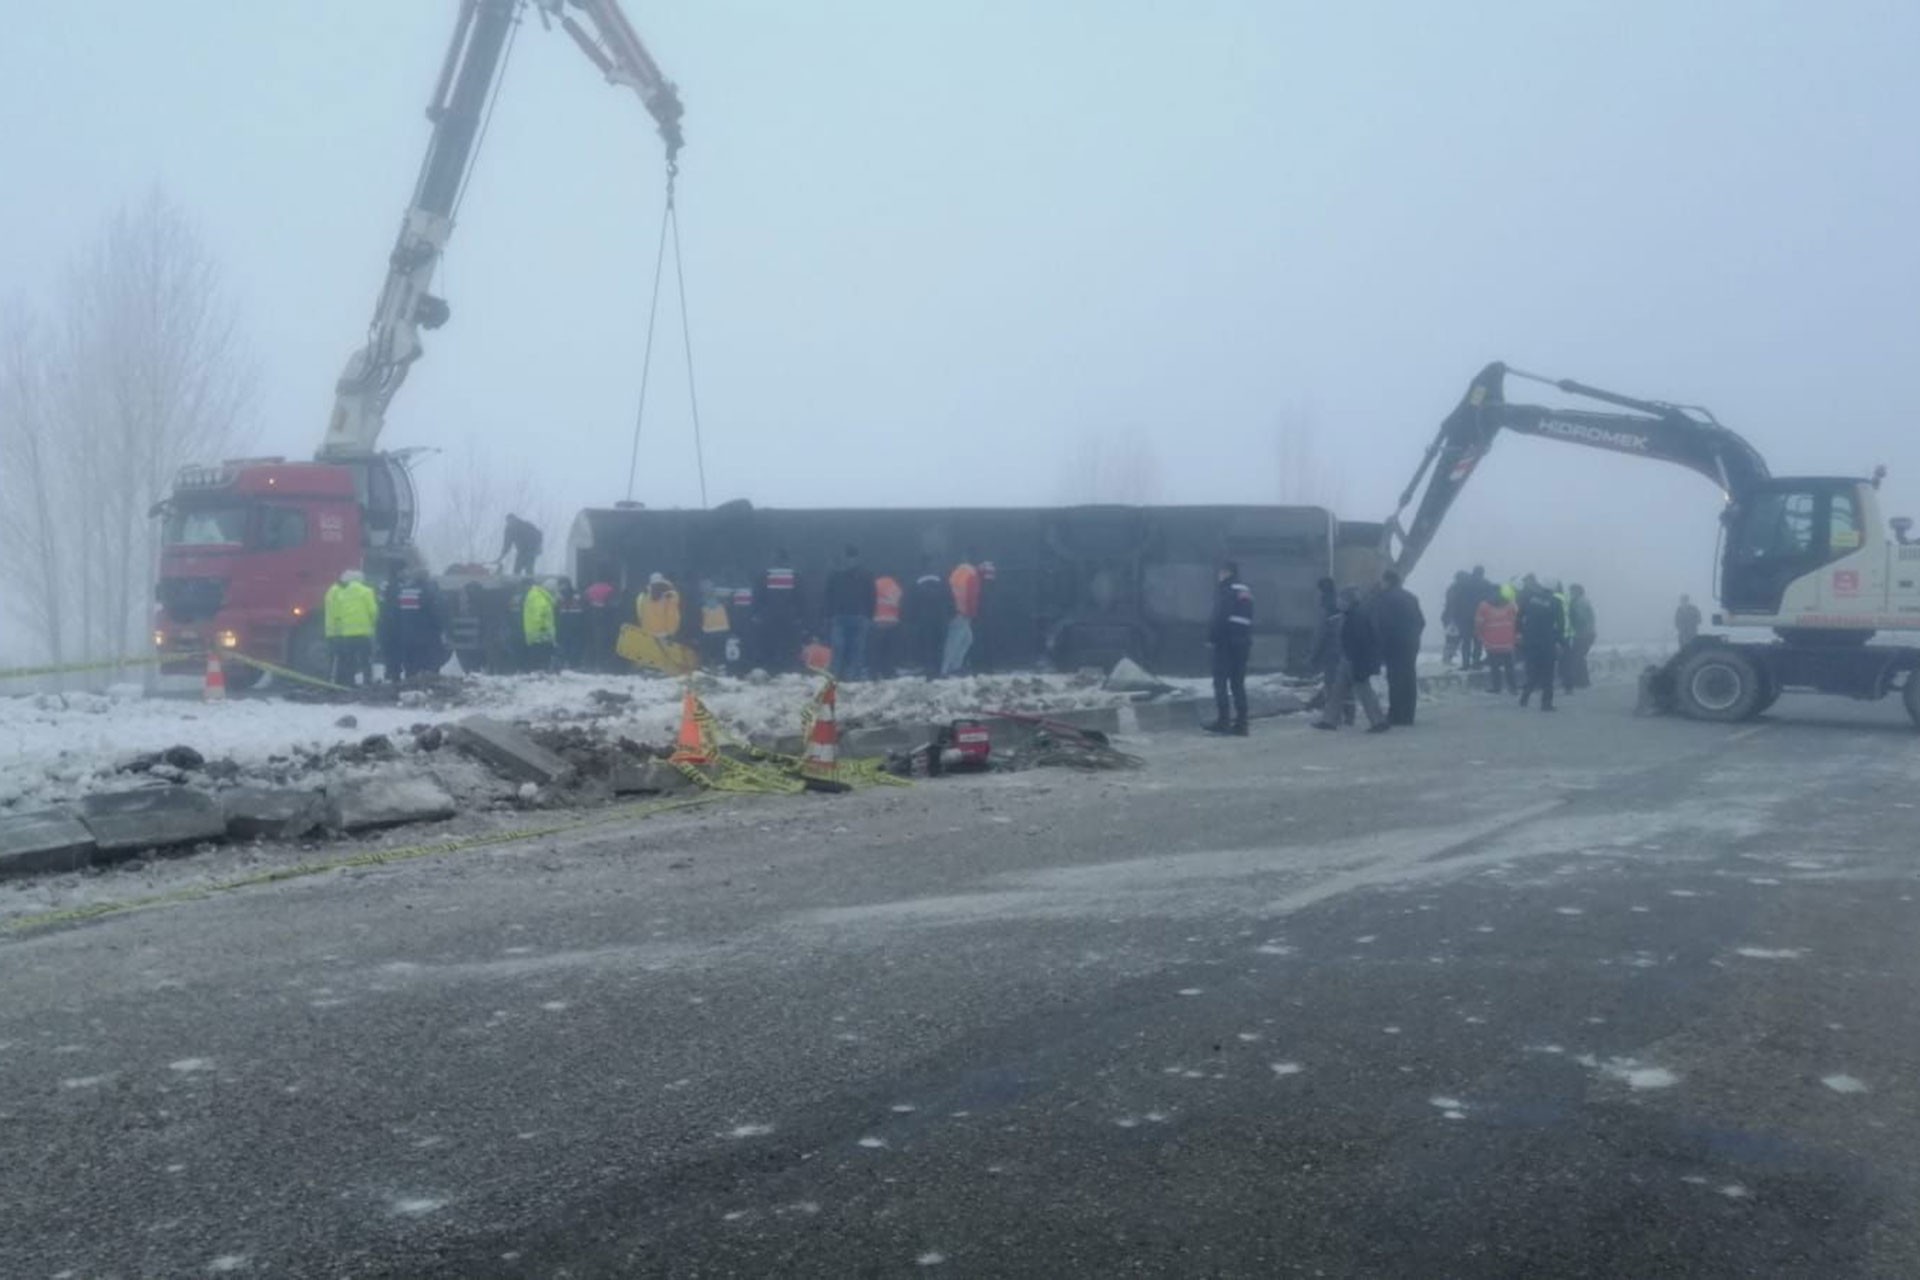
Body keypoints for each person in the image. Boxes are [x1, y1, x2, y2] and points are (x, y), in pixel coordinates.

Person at [1315, 588, 1388, 732]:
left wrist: (1359, 662)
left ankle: (1378, 722)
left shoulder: (1357, 617)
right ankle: (1329, 720)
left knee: (1364, 691)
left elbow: (1362, 641)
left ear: (1349, 601)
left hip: (1354, 660)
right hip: (1347, 658)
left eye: (1341, 600)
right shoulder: (1350, 615)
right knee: (1337, 690)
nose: (1338, 603)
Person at [1203, 560, 1254, 736]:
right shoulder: (1245, 591)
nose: (1219, 575)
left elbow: (1220, 616)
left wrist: (1212, 638)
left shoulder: (1226, 589)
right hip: (1243, 642)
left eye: (1220, 572)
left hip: (1225, 643)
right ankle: (1242, 724)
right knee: (1238, 684)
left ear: (1226, 572)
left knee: (1220, 681)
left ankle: (1223, 721)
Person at [1375, 569, 1426, 727]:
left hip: (1394, 644)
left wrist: (1381, 643)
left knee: (1395, 678)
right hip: (1411, 643)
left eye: (1382, 581)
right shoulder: (1411, 597)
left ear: (1388, 581)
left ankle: (1396, 714)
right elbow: (1421, 621)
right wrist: (1413, 636)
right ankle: (1408, 715)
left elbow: (1382, 623)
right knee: (1409, 677)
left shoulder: (1384, 598)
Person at [824, 545, 876, 681]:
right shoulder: (866, 575)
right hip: (856, 616)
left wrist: (828, 615)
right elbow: (871, 596)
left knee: (841, 649)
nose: (849, 561)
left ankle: (836, 677)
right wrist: (869, 616)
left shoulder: (835, 575)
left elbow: (828, 597)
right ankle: (851, 678)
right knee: (855, 650)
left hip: (846, 617)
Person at [324, 568, 378, 688]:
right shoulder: (366, 591)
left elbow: (338, 613)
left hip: (347, 633)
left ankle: (349, 682)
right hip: (363, 632)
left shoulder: (342, 593)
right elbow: (373, 611)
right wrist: (372, 623)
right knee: (366, 660)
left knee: (350, 661)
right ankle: (367, 682)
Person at [1517, 581, 1565, 710]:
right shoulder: (1556, 602)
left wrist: (1520, 633)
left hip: (1530, 640)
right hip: (1546, 642)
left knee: (1533, 671)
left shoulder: (1530, 599)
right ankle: (1546, 703)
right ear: (1553, 589)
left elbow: (1519, 617)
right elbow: (1560, 625)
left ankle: (1525, 696)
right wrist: (1560, 641)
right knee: (1548, 673)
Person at [755, 551, 800, 673]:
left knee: (770, 642)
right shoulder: (794, 575)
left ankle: (771, 668)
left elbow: (759, 595)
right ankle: (787, 668)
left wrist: (757, 612)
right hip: (789, 615)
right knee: (786, 643)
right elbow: (800, 597)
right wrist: (799, 615)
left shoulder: (766, 575)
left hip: (769, 615)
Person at [908, 559, 952, 679]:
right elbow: (949, 598)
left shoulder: (917, 581)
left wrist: (912, 618)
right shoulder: (942, 579)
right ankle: (938, 670)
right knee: (939, 644)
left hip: (923, 618)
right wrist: (950, 614)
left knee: (927, 645)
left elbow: (911, 601)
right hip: (940, 617)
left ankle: (929, 669)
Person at [943, 553, 982, 676]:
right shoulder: (972, 573)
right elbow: (973, 595)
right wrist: (973, 613)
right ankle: (946, 669)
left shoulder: (956, 572)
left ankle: (954, 666)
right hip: (963, 612)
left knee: (966, 639)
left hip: (954, 610)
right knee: (955, 641)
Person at [1475, 587, 1519, 694]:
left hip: (1491, 641)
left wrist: (1479, 635)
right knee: (1509, 666)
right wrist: (1516, 636)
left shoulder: (1484, 605)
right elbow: (1517, 621)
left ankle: (1497, 687)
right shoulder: (1510, 605)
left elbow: (1479, 623)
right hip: (1508, 640)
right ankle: (1513, 688)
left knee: (1495, 667)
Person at [1564, 583, 1596, 692]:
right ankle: (1582, 681)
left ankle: (1581, 681)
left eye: (1572, 591)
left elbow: (1580, 619)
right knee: (1579, 657)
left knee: (1577, 657)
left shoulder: (1579, 603)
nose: (1570, 593)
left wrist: (1575, 630)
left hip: (1583, 634)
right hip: (1587, 633)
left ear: (1578, 591)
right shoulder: (1582, 601)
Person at [871, 569, 903, 679]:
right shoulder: (893, 585)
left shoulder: (874, 584)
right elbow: (898, 602)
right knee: (889, 651)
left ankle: (874, 672)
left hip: (877, 621)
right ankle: (888, 671)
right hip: (891, 622)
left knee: (876, 650)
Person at [698, 581, 734, 672]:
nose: (706, 588)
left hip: (719, 629)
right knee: (710, 651)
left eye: (708, 585)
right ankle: (708, 668)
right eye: (704, 586)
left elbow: (731, 594)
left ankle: (719, 668)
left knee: (718, 650)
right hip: (709, 629)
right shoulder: (700, 599)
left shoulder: (720, 595)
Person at [522, 578, 557, 671]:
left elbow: (539, 611)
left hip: (536, 630)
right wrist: (542, 626)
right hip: (541, 630)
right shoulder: (540, 595)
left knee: (536, 651)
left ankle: (537, 670)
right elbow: (541, 611)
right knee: (542, 651)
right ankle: (541, 669)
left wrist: (539, 625)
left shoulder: (535, 594)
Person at [584, 579, 617, 671]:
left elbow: (585, 601)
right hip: (603, 617)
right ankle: (600, 664)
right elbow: (612, 604)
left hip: (591, 616)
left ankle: (589, 664)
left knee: (591, 641)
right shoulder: (609, 589)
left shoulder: (590, 589)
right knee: (602, 642)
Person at [638, 572, 682, 640]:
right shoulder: (669, 597)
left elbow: (640, 615)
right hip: (656, 636)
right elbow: (671, 615)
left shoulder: (643, 596)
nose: (657, 588)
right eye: (656, 586)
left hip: (653, 636)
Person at [1442, 570, 1472, 667]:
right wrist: (1451, 619)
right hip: (1454, 619)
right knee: (1452, 640)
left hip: (1453, 618)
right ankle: (1447, 659)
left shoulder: (1454, 588)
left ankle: (1447, 659)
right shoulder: (1456, 589)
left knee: (1453, 640)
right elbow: (1452, 605)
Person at [554, 578, 584, 670]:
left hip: (572, 622)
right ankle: (569, 663)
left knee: (572, 644)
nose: (561, 587)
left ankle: (572, 663)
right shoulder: (575, 594)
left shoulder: (563, 595)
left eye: (562, 584)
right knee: (567, 643)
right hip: (567, 622)